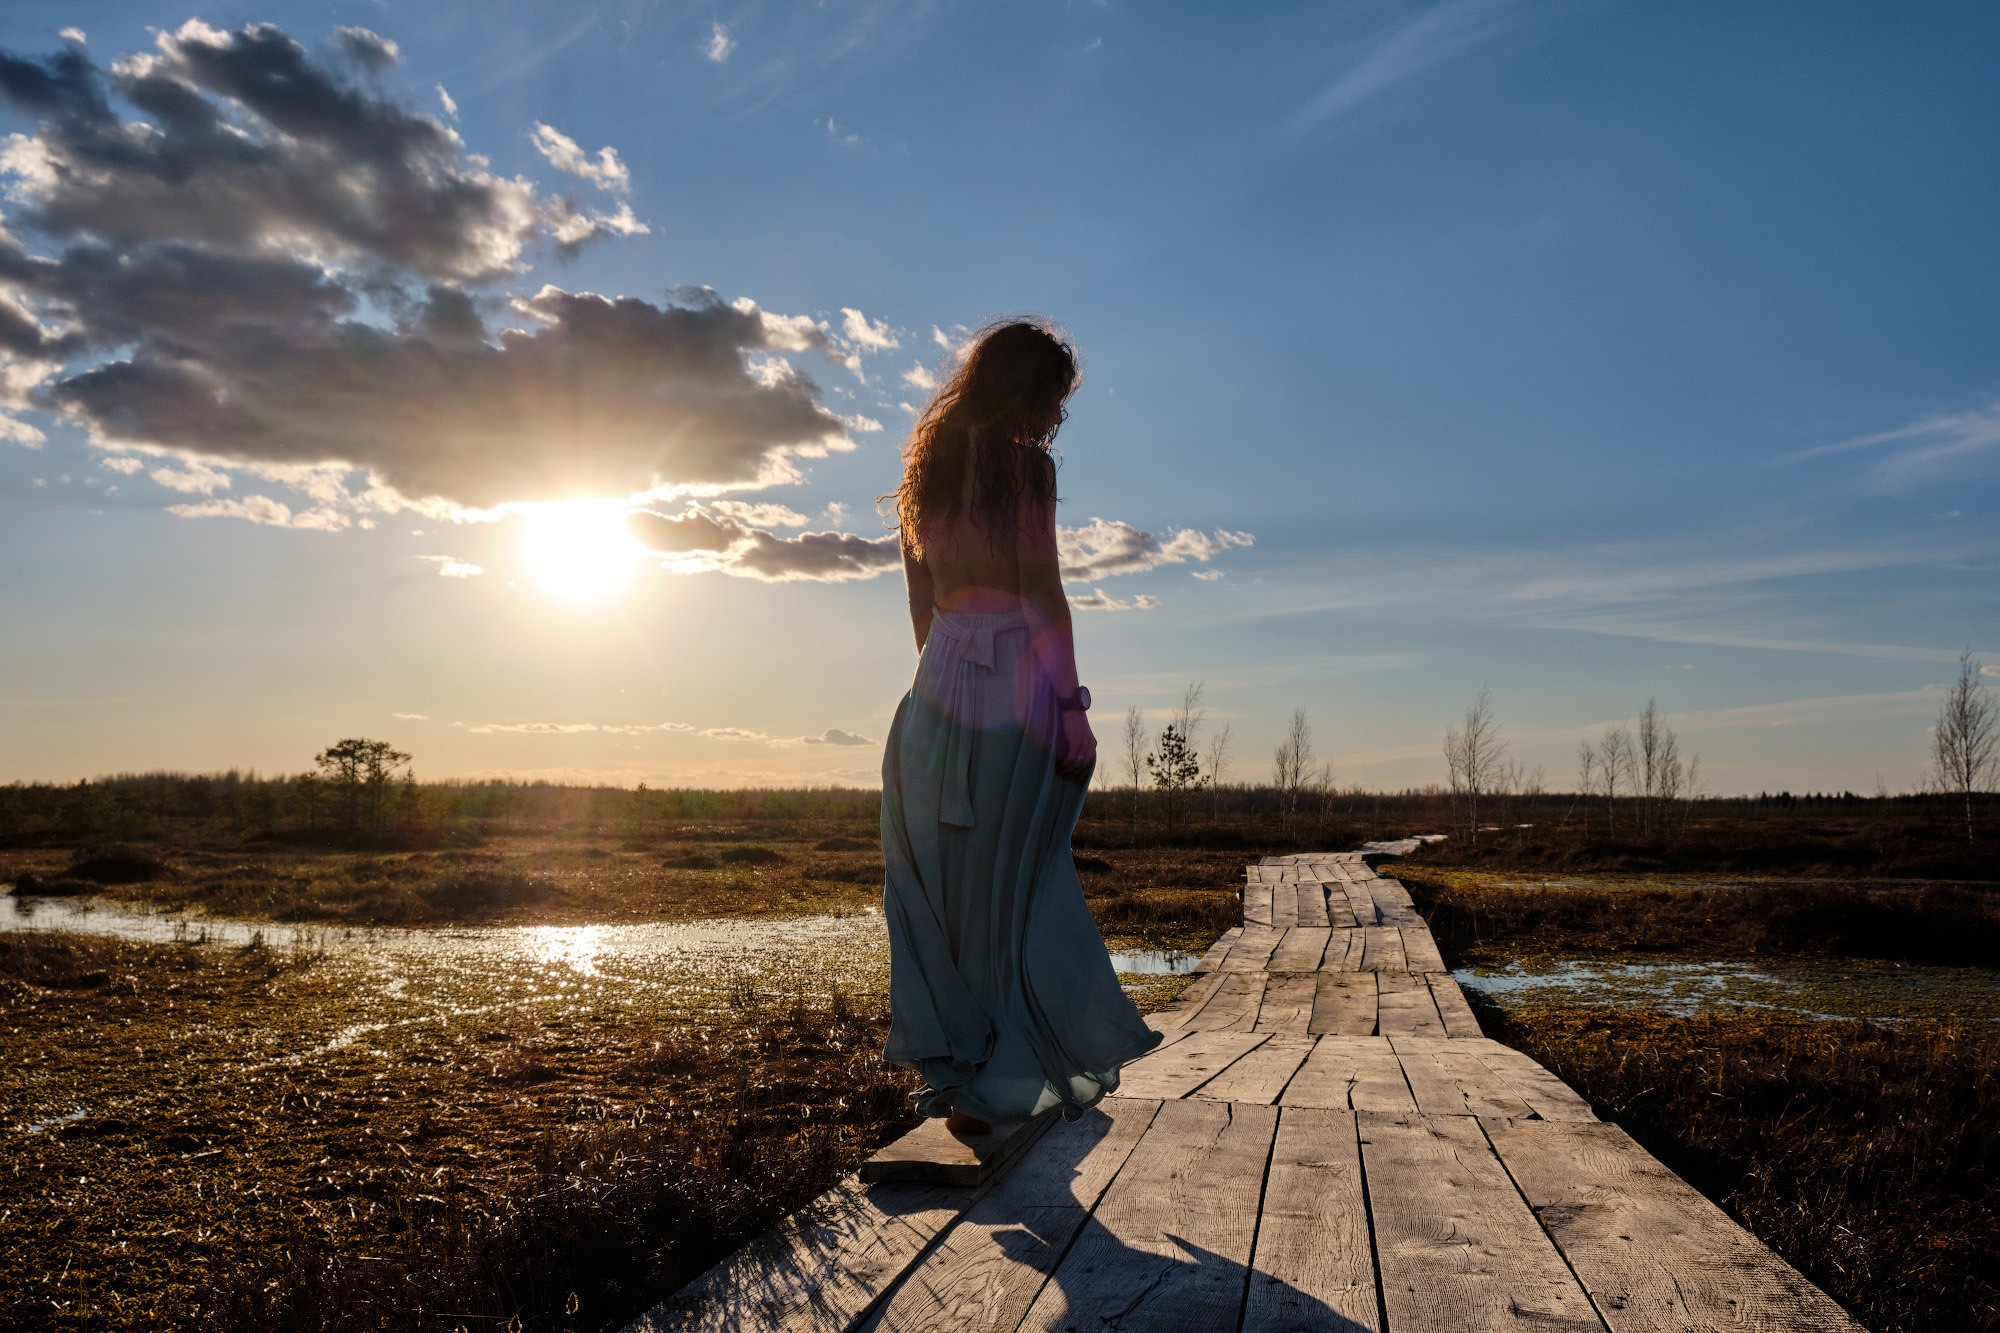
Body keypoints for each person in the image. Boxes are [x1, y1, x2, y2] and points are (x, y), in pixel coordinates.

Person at [879, 318, 1162, 1135]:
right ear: (1023, 392)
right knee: (1017, 883)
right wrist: (1067, 703)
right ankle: (1012, 1068)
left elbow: (921, 610)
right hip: (1012, 681)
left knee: (943, 886)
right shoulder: (1024, 469)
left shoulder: (921, 475)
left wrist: (946, 692)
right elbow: (1043, 593)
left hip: (936, 691)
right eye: (1052, 403)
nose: (1055, 423)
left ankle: (971, 1074)